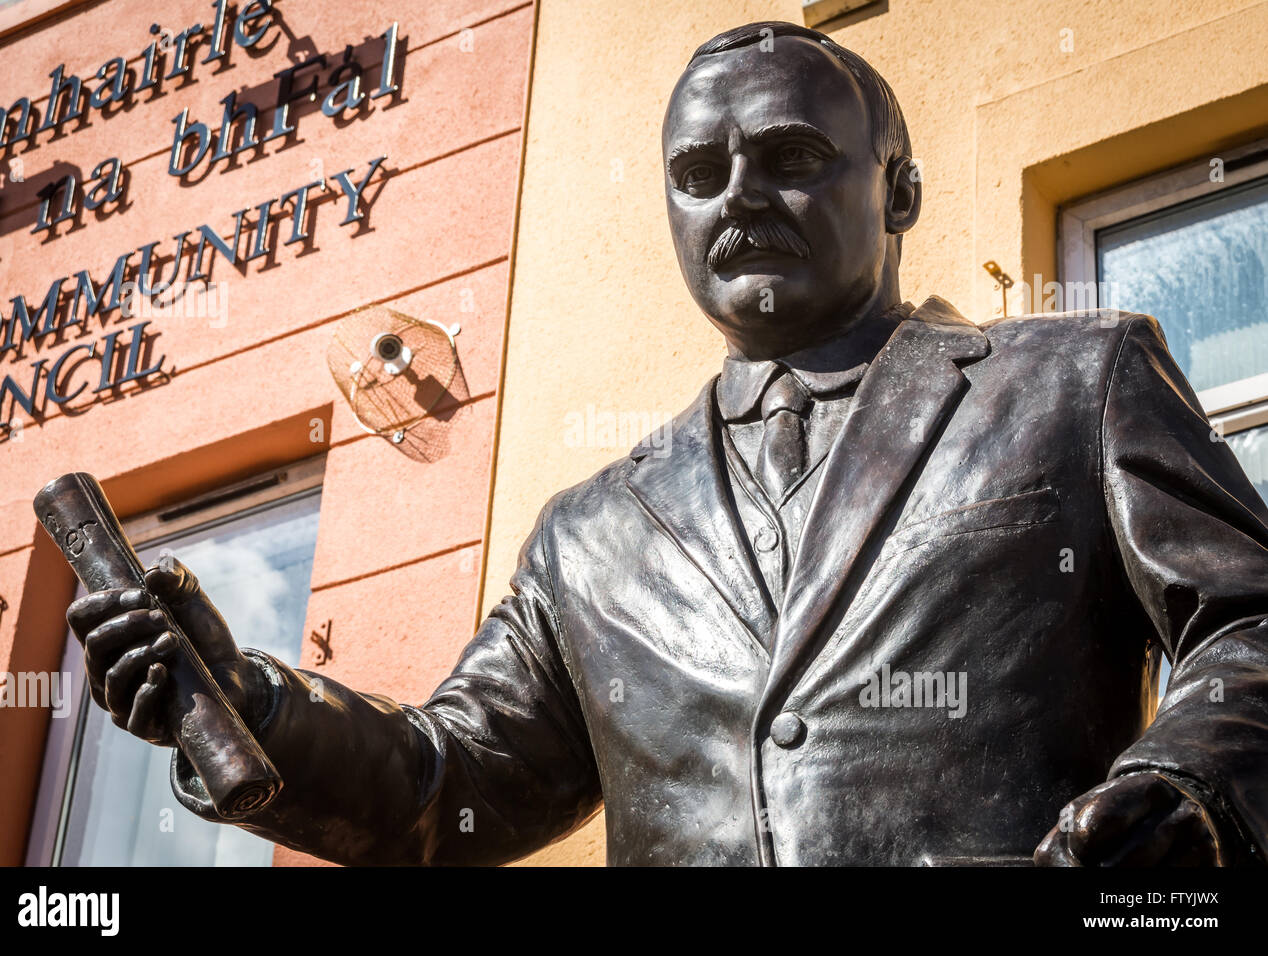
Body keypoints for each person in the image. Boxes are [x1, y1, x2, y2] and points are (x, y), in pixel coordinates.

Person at [67, 22, 1268, 866]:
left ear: (897, 192)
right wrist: (245, 701)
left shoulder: (1071, 379)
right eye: (700, 173)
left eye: (791, 159)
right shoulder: (588, 533)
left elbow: (1249, 621)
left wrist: (1187, 785)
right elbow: (449, 790)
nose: (739, 195)